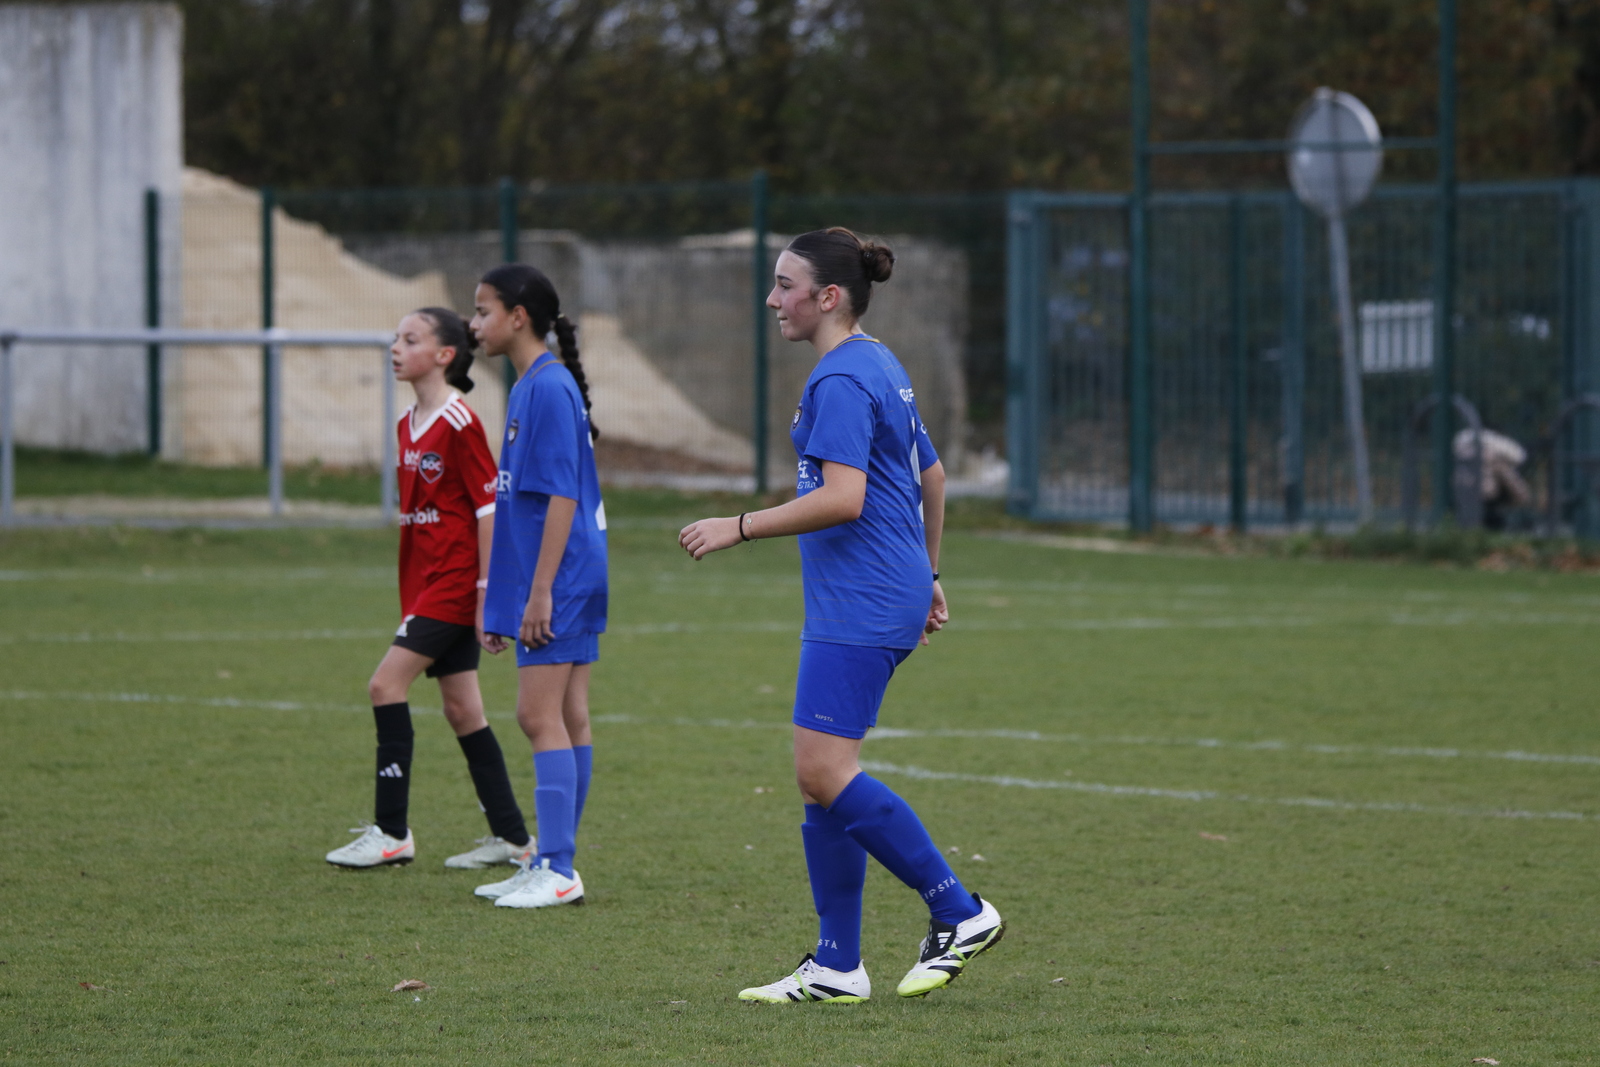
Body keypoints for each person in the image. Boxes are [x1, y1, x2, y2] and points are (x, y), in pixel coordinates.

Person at [680, 227, 1004, 1003]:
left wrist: (739, 525)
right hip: (879, 588)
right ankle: (835, 965)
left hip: (861, 598)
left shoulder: (840, 379)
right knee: (818, 779)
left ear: (828, 296)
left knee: (824, 770)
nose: (772, 299)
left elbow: (843, 497)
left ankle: (959, 909)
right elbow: (932, 474)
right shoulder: (877, 360)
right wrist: (926, 572)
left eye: (785, 284)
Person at [326, 308, 534, 871]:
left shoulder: (460, 421)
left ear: (444, 355)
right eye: (396, 337)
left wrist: (486, 592)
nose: (396, 347)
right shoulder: (405, 424)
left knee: (384, 685)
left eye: (410, 339)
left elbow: (489, 509)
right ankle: (514, 838)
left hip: (456, 584)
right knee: (463, 710)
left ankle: (391, 832)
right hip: (424, 584)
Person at [468, 264, 607, 909]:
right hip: (564, 575)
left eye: (483, 311)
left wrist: (541, 591)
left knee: (536, 716)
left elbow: (560, 497)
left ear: (518, 316)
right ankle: (549, 858)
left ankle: (558, 866)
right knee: (567, 715)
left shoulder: (548, 387)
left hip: (564, 578)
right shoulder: (533, 384)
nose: (475, 324)